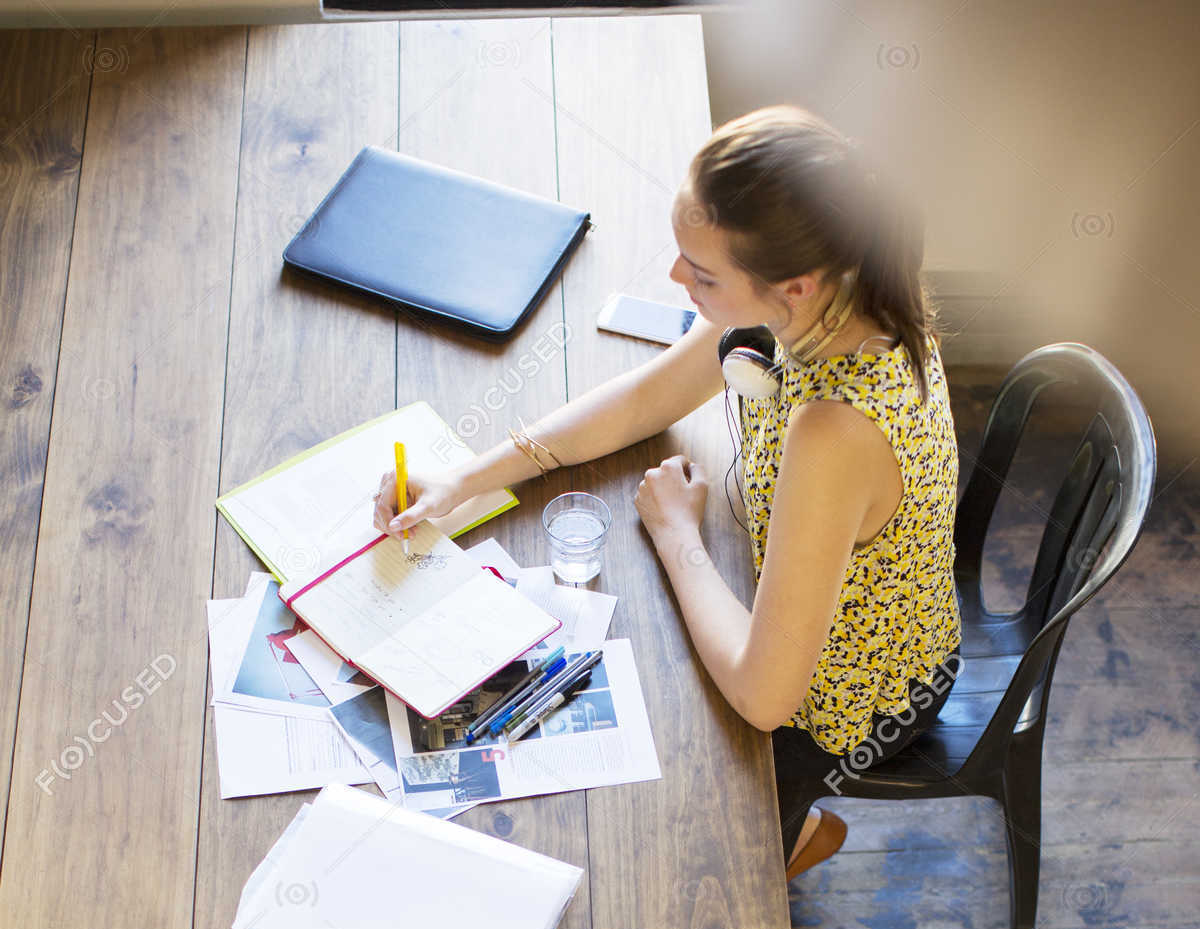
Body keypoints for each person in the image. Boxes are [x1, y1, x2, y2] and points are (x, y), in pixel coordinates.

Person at [373, 103, 962, 882]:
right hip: (799, 593)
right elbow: (642, 401)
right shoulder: (834, 299)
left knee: (639, 838)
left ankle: (792, 832)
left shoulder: (833, 433)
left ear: (794, 286)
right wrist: (466, 480)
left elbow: (763, 699)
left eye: (704, 274)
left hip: (860, 697)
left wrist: (677, 534)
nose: (677, 279)